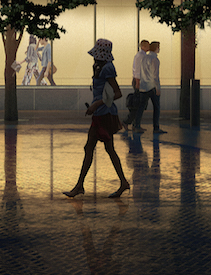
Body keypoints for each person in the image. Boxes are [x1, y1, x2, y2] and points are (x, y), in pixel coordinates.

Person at [63, 39, 128, 198]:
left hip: (104, 114)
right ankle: (121, 182)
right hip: (101, 114)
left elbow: (117, 93)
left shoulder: (107, 68)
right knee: (98, 148)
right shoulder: (101, 67)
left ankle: (80, 186)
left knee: (95, 148)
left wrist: (96, 105)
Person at [126, 38, 164, 134]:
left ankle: (137, 125)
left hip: (144, 86)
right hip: (152, 86)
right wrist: (157, 88)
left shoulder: (144, 58)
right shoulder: (154, 59)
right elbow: (155, 75)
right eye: (158, 48)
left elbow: (141, 72)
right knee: (156, 107)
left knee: (141, 106)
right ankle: (156, 127)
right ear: (156, 48)